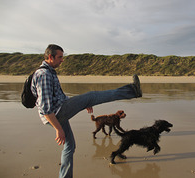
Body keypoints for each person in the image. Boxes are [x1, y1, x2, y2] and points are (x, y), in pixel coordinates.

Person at [31, 44, 142, 178]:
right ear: (50, 57)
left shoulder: (50, 72)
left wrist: (81, 104)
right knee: (91, 96)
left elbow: (59, 98)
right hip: (55, 115)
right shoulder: (44, 75)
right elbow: (45, 108)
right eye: (60, 57)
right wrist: (58, 128)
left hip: (58, 112)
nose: (62, 60)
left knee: (70, 146)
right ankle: (132, 91)